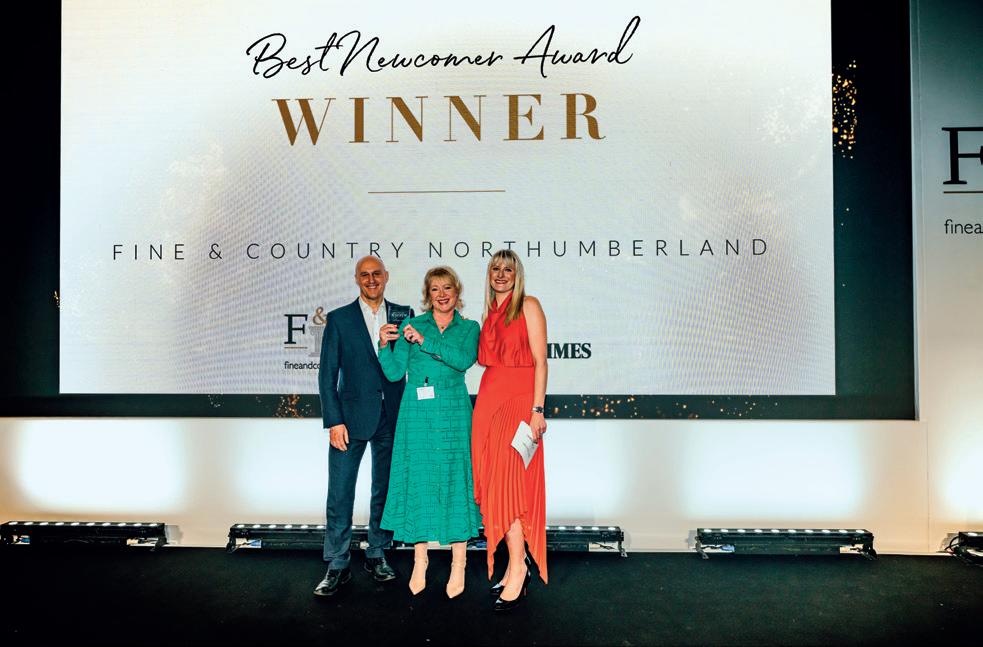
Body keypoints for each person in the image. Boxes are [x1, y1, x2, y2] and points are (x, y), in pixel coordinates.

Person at [377, 266, 482, 598]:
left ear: (456, 291)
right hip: (417, 416)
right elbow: (394, 373)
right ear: (427, 294)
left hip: (454, 414)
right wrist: (384, 345)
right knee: (419, 482)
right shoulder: (411, 325)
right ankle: (419, 560)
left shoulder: (469, 328)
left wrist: (424, 341)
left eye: (447, 287)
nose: (442, 294)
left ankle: (459, 563)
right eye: (435, 289)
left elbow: (462, 360)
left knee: (455, 482)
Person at [314, 256, 413, 597]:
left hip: (392, 417)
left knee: (384, 490)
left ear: (387, 276)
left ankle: (377, 553)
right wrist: (334, 421)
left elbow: (410, 364)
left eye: (376, 274)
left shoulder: (404, 314)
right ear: (357, 279)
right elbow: (327, 375)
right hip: (350, 419)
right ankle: (337, 563)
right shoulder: (339, 319)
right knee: (340, 492)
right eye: (365, 275)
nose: (371, 280)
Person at [471, 249, 548, 612]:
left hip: (518, 406)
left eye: (508, 269)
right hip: (488, 404)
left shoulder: (528, 305)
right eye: (495, 268)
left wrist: (537, 410)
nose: (501, 274)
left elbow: (541, 362)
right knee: (492, 485)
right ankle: (514, 564)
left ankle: (519, 568)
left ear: (518, 276)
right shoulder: (489, 313)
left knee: (510, 487)